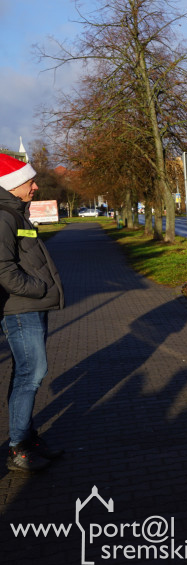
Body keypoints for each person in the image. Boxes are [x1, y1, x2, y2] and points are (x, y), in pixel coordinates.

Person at [0, 154, 64, 473]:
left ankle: (27, 437)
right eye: (30, 182)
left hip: (29, 306)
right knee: (33, 372)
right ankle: (18, 447)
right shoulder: (4, 216)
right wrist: (37, 287)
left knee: (25, 372)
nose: (36, 186)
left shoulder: (15, 213)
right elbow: (3, 269)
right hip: (21, 308)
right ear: (13, 185)